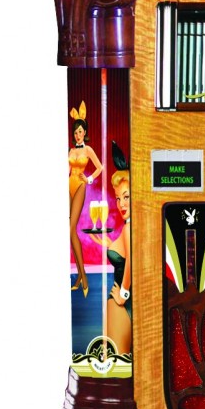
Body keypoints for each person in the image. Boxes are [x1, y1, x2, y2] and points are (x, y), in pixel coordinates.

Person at [89, 142, 131, 354]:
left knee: (117, 363)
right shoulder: (131, 226)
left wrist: (123, 294)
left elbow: (130, 261)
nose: (121, 204)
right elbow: (126, 252)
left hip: (121, 304)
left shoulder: (129, 228)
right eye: (118, 198)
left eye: (126, 197)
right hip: (129, 303)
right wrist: (108, 244)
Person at [68, 102, 102, 297]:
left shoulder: (87, 150)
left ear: (85, 132)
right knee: (70, 232)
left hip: (80, 186)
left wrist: (89, 179)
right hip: (68, 186)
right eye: (75, 132)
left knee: (70, 229)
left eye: (80, 131)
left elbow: (100, 167)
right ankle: (81, 276)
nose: (77, 135)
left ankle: (84, 277)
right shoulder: (71, 151)